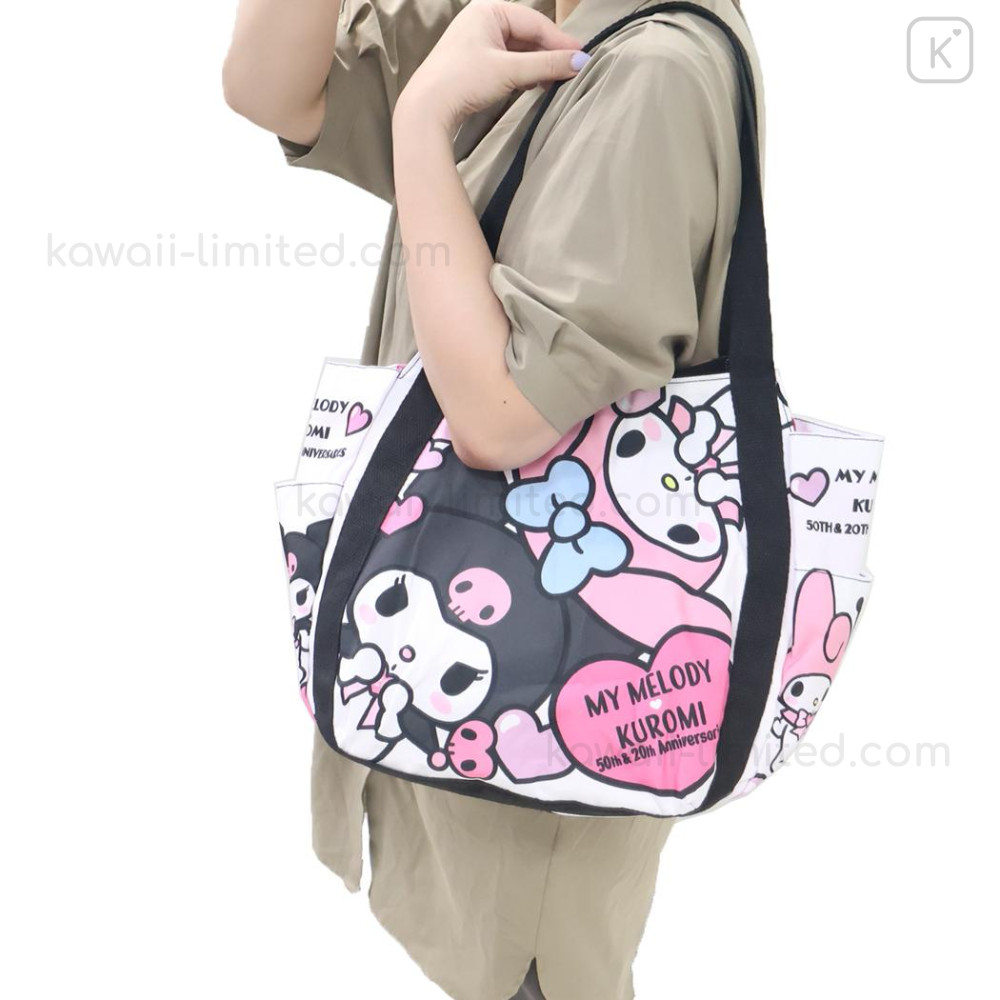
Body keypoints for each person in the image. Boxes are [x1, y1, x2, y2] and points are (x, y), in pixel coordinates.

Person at [224, 1, 764, 997]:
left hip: (536, 773)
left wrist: (422, 123)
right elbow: (268, 85)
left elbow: (504, 414)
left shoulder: (650, 72)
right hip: (457, 731)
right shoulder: (532, 14)